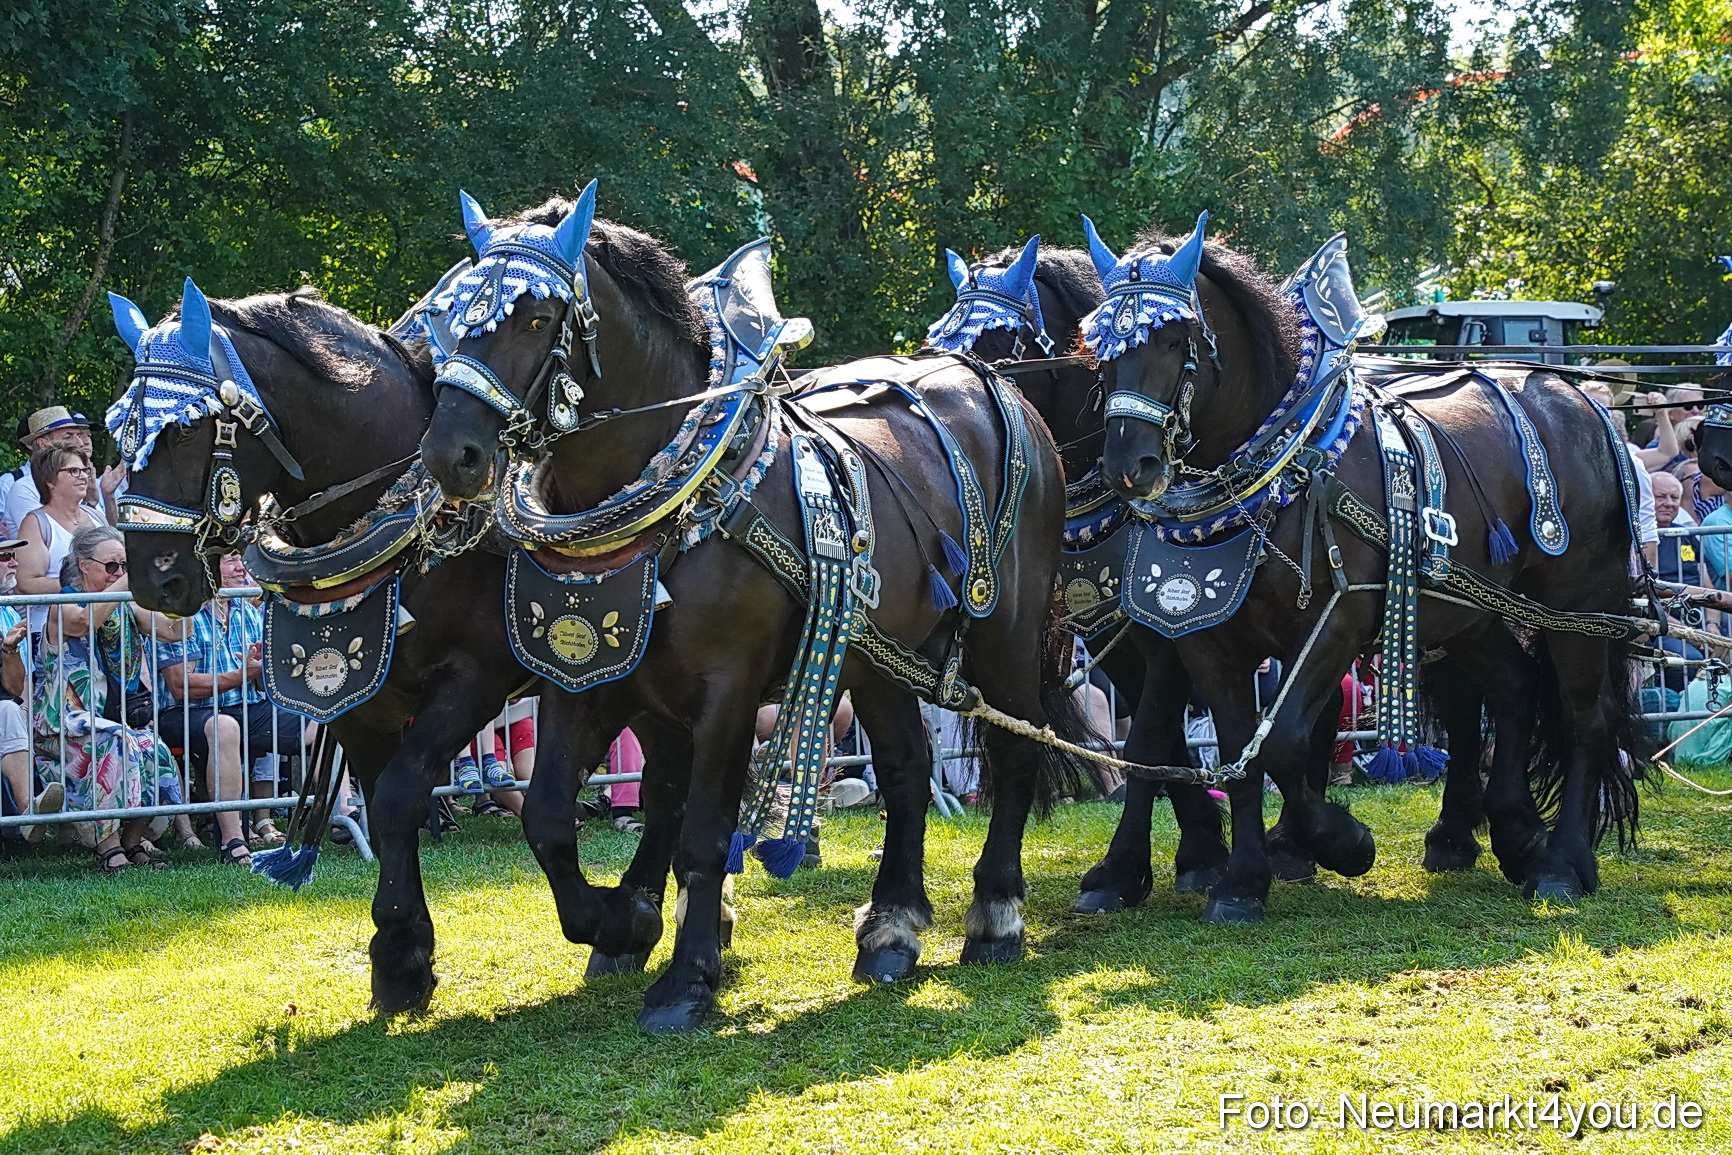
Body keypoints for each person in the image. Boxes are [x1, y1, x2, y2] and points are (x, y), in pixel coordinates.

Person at [33, 525, 182, 872]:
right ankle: (107, 848)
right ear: (85, 566)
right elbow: (85, 621)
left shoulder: (126, 607)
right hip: (65, 723)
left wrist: (189, 590)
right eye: (112, 566)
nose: (119, 573)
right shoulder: (64, 605)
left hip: (114, 719)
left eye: (124, 566)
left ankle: (131, 845)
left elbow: (176, 631)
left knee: (152, 748)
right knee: (114, 743)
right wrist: (129, 581)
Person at [155, 551, 306, 864]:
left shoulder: (246, 608)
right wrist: (242, 675)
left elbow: (260, 684)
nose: (242, 568)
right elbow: (182, 686)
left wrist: (263, 671)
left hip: (248, 707)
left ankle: (349, 818)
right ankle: (233, 839)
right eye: (231, 561)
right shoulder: (180, 612)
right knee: (225, 726)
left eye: (241, 560)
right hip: (185, 715)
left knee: (329, 718)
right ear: (207, 568)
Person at [0, 537, 64, 840]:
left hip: (9, 712)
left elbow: (14, 687)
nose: (14, 562)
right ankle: (29, 813)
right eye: (4, 557)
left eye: (14, 555)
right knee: (9, 713)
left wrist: (9, 650)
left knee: (20, 713)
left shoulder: (12, 614)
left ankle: (88, 828)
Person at [14, 444, 106, 636]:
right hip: (55, 634)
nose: (83, 476)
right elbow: (26, 583)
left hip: (104, 625)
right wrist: (83, 585)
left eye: (84, 470)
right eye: (73, 470)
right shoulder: (36, 523)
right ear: (50, 481)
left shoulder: (96, 516)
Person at [1, 408, 121, 536]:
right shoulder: (23, 488)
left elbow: (112, 540)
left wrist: (107, 496)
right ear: (43, 444)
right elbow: (62, 544)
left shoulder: (78, 481)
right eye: (68, 436)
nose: (80, 443)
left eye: (79, 435)